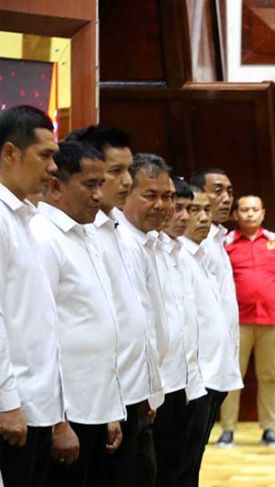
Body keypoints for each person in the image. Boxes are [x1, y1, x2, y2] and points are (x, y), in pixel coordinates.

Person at [70, 127, 165, 487]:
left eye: (129, 171)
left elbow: (137, 316)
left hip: (130, 393)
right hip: (98, 399)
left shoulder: (118, 230)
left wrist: (149, 385)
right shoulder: (79, 232)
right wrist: (111, 401)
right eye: (115, 172)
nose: (126, 181)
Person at [30, 141, 125, 486]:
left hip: (95, 405)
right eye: (90, 185)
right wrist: (59, 421)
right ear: (56, 186)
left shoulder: (86, 235)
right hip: (68, 413)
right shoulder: (44, 237)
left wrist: (111, 410)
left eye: (101, 184)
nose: (99, 196)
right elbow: (43, 334)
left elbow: (99, 323)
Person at [0, 105, 66, 487]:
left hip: (39, 404)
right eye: (45, 155)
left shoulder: (26, 218)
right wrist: (7, 403)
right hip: (15, 408)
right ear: (11, 153)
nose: (54, 167)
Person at [218, 195, 275, 447]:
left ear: (263, 213)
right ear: (235, 214)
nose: (249, 214)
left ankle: (269, 429)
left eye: (254, 210)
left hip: (272, 320)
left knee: (269, 376)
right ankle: (227, 430)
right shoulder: (225, 242)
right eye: (244, 210)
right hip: (236, 322)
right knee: (231, 377)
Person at [179, 185, 242, 484]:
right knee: (180, 463)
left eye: (206, 210)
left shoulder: (211, 246)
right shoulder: (180, 253)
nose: (204, 217)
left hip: (216, 368)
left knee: (192, 461)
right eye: (195, 210)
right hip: (196, 374)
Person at [156, 177, 208, 487]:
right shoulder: (150, 249)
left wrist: (192, 383)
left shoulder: (177, 253)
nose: (184, 216)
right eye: (179, 208)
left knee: (182, 469)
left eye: (189, 209)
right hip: (159, 386)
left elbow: (188, 325)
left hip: (185, 380)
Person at [190, 169, 241, 435]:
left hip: (220, 362)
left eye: (230, 192)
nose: (226, 198)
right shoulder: (197, 242)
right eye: (217, 190)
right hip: (203, 368)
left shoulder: (217, 239)